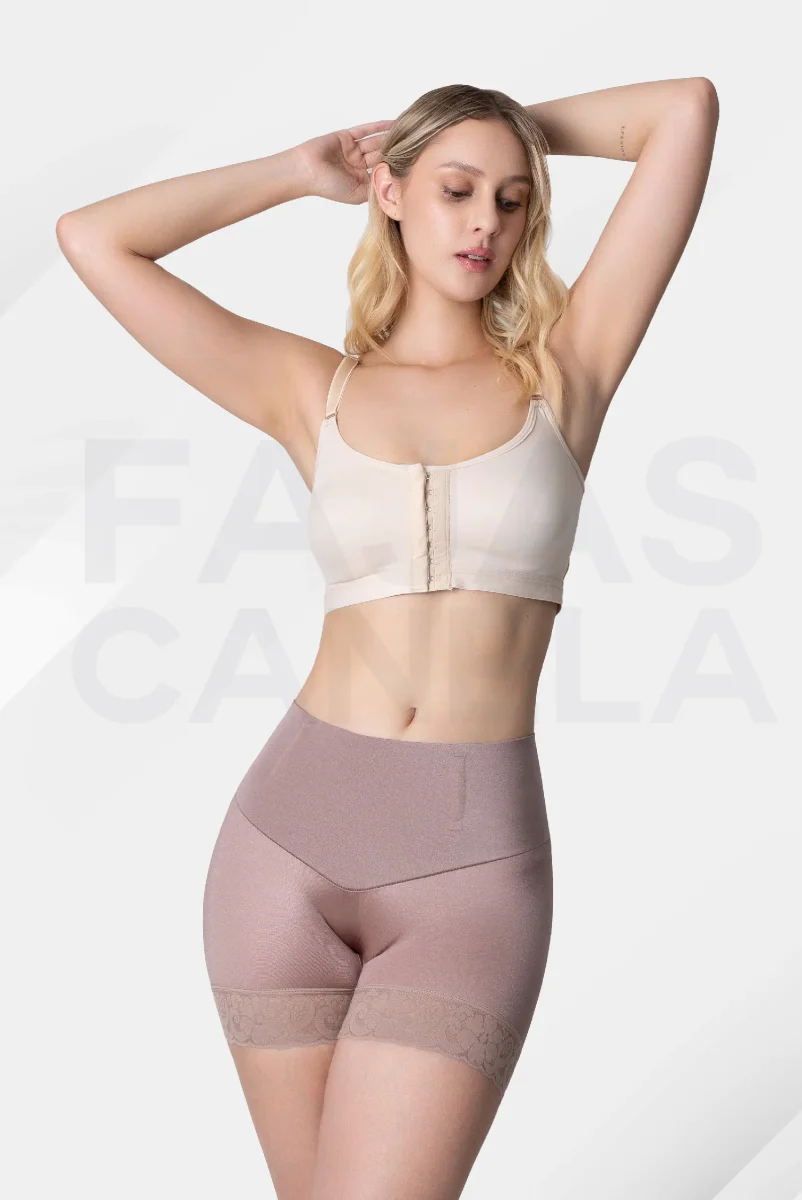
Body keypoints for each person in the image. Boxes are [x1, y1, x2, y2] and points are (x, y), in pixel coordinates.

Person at [56, 77, 719, 1200]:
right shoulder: (306, 388)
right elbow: (94, 237)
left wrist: (500, 130)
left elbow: (684, 111)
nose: (485, 222)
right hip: (283, 848)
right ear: (392, 194)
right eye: (455, 190)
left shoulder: (566, 371)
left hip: (470, 869)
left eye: (511, 199)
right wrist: (297, 171)